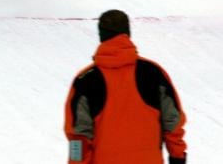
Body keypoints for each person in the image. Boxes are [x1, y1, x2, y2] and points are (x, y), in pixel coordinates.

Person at [64, 9, 187, 164]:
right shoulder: (153, 73)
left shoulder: (85, 80)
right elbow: (173, 123)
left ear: (101, 36)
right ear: (127, 33)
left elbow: (78, 138)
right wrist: (178, 157)